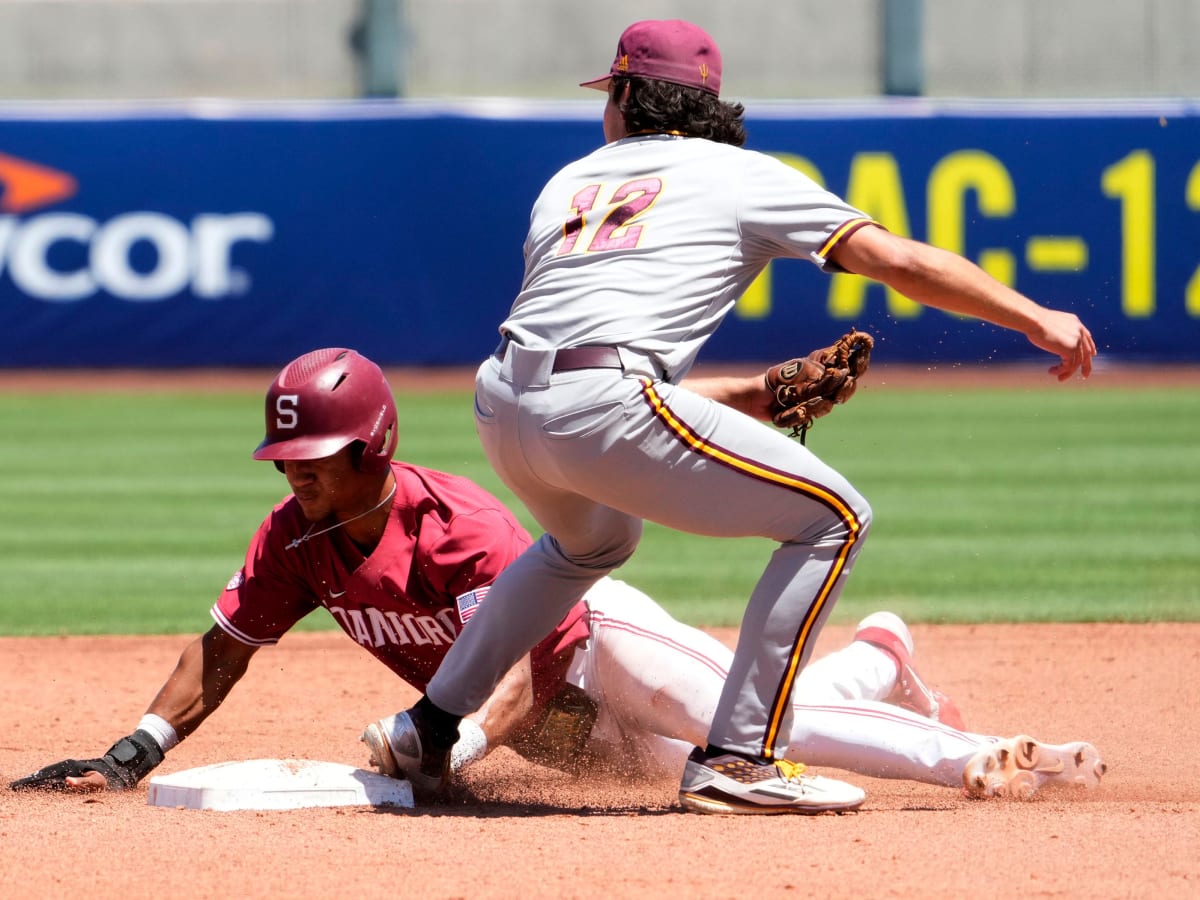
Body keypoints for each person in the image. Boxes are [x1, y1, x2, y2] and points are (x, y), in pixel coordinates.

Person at [392, 19, 1100, 815]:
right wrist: (1033, 315)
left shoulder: (568, 183)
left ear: (628, 96)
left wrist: (755, 394)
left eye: (611, 95)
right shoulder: (738, 174)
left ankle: (428, 723)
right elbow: (898, 262)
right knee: (834, 517)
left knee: (589, 543)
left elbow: (586, 355)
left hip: (503, 403)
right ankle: (739, 756)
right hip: (601, 403)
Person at [7, 348, 1104, 803]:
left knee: (750, 732)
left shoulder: (460, 527)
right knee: (688, 757)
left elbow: (540, 652)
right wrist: (132, 752)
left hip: (596, 639)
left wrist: (455, 744)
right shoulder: (292, 538)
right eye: (284, 458)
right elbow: (225, 648)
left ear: (373, 452)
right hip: (554, 719)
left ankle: (983, 757)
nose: (293, 475)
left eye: (313, 458)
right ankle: (878, 654)